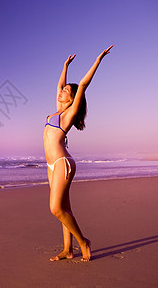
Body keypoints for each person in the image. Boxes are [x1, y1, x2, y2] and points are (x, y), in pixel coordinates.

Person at [43, 45, 113, 262]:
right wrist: (65, 66)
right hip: (51, 165)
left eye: (67, 91)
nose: (63, 90)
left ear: (72, 99)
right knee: (64, 208)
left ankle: (83, 241)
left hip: (63, 162)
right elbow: (59, 85)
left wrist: (98, 60)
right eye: (62, 90)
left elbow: (82, 84)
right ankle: (68, 249)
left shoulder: (69, 113)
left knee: (55, 209)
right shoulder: (57, 109)